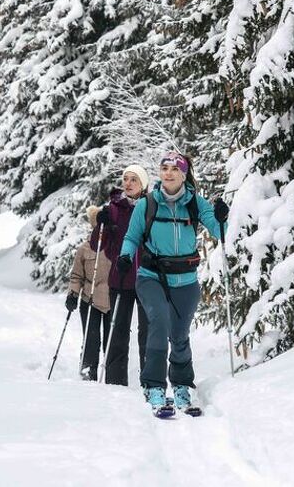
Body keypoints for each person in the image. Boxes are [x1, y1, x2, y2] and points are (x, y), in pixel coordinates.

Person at [117, 152, 229, 413]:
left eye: (173, 169)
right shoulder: (148, 204)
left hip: (186, 279)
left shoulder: (196, 203)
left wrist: (223, 216)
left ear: (183, 173)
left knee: (179, 334)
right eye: (164, 168)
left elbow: (220, 232)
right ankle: (154, 385)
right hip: (151, 276)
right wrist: (124, 256)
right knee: (159, 321)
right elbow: (132, 237)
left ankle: (181, 385)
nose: (167, 173)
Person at [88, 164, 150, 386]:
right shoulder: (114, 208)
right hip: (120, 279)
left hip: (147, 279)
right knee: (117, 334)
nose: (128, 183)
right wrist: (100, 224)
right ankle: (115, 384)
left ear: (143, 183)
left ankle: (150, 382)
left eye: (134, 179)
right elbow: (97, 245)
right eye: (126, 178)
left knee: (148, 334)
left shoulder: (151, 206)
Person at [65, 210, 111, 381]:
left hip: (111, 301)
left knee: (111, 341)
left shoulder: (115, 246)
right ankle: (88, 370)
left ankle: (112, 375)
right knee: (91, 339)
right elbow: (76, 276)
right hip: (89, 301)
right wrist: (72, 295)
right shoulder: (84, 249)